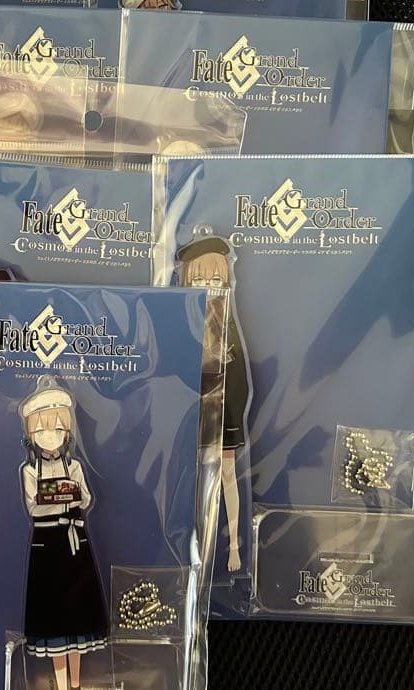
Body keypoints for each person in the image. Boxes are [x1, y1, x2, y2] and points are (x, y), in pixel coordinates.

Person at [19, 376, 108, 690]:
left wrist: (67, 495)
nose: (50, 436)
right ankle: (59, 683)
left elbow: (85, 498)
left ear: (67, 431)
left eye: (57, 429)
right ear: (31, 433)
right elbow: (34, 506)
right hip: (47, 545)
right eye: (42, 430)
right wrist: (58, 495)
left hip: (75, 543)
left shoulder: (76, 467)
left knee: (78, 615)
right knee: (54, 616)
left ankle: (77, 683)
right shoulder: (30, 471)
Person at [176, 228, 252, 573]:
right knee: (194, 478)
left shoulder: (228, 327)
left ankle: (233, 545)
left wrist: (231, 416)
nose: (208, 284)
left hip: (223, 410)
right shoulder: (185, 324)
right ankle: (193, 548)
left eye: (215, 278)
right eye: (199, 279)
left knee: (228, 475)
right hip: (194, 409)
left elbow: (240, 380)